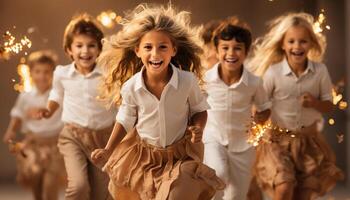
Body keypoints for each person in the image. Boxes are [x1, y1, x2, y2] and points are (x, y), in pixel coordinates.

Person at [91, 4, 225, 200]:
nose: (155, 54)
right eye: (148, 47)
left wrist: (198, 128)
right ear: (137, 51)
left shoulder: (187, 81)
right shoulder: (131, 87)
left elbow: (199, 110)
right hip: (145, 158)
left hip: (181, 155)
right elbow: (125, 119)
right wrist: (108, 149)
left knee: (176, 195)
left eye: (162, 47)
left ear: (173, 50)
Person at [247, 12, 344, 200]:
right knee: (284, 188)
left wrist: (315, 103)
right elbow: (261, 104)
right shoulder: (274, 73)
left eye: (303, 41)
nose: (297, 46)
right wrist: (258, 116)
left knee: (303, 195)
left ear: (311, 44)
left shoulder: (320, 71)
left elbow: (329, 106)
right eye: (291, 41)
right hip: (278, 143)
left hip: (309, 143)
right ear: (283, 44)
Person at [38, 14, 116, 200]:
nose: (85, 51)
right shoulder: (62, 73)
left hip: (103, 140)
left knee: (101, 194)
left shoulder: (107, 74)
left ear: (99, 49)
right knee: (79, 187)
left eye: (91, 45)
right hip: (73, 137)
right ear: (69, 50)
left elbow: (120, 100)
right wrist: (49, 110)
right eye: (79, 45)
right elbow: (56, 94)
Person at [203, 18, 271, 200]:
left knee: (237, 196)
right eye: (225, 48)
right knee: (217, 175)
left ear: (246, 52)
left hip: (243, 146)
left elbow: (265, 108)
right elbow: (195, 105)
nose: (231, 53)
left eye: (237, 48)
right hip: (214, 139)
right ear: (217, 51)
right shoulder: (206, 79)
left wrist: (259, 121)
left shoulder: (254, 83)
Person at [3, 50, 65, 200]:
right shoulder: (26, 95)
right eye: (37, 72)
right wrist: (11, 131)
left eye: (47, 72)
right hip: (33, 143)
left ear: (53, 74)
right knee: (35, 177)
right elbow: (18, 114)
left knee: (51, 182)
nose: (42, 76)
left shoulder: (58, 95)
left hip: (54, 145)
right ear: (30, 73)